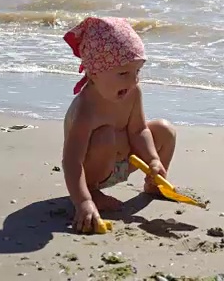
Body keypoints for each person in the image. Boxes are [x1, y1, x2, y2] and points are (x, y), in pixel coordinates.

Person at [61, 17, 177, 233]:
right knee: (105, 135)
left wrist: (152, 159)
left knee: (164, 130)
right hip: (93, 171)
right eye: (124, 73)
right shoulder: (86, 109)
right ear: (94, 72)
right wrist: (83, 201)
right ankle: (93, 192)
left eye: (137, 72)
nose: (133, 81)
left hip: (124, 161)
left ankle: (154, 182)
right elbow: (72, 162)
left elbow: (138, 130)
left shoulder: (132, 93)